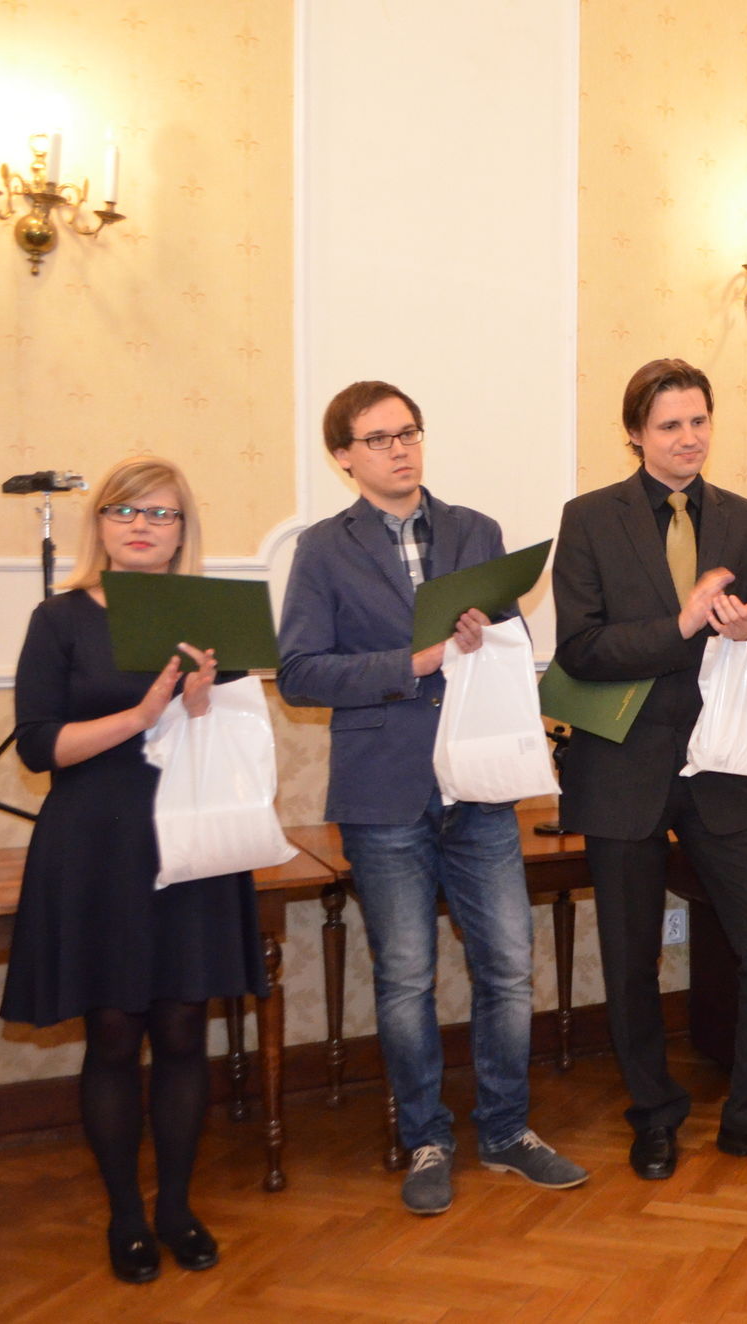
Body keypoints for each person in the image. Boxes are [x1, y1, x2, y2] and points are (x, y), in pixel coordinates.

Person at [279, 381, 585, 1216]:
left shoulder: (475, 531)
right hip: (383, 792)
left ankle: (507, 1130)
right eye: (379, 439)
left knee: (509, 966)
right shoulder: (322, 549)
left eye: (408, 432)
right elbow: (300, 673)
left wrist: (492, 636)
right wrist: (410, 664)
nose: (400, 449)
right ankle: (426, 1139)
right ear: (344, 457)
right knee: (407, 977)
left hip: (479, 782)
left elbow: (512, 641)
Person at [1, 457, 266, 1283]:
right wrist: (144, 713)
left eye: (161, 512)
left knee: (184, 1028)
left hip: (190, 839)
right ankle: (125, 1215)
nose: (142, 525)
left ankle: (177, 1208)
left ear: (183, 530)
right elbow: (39, 746)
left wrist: (201, 704)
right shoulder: (60, 618)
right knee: (114, 1033)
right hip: (97, 846)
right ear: (101, 525)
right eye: (125, 511)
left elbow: (239, 735)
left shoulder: (210, 617)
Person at [552, 358, 747, 1180]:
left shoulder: (744, 518)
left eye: (699, 421)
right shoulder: (588, 518)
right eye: (670, 425)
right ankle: (655, 1115)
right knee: (631, 957)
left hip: (721, 761)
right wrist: (681, 624)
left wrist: (745, 629)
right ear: (635, 434)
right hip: (620, 763)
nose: (689, 438)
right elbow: (581, 648)